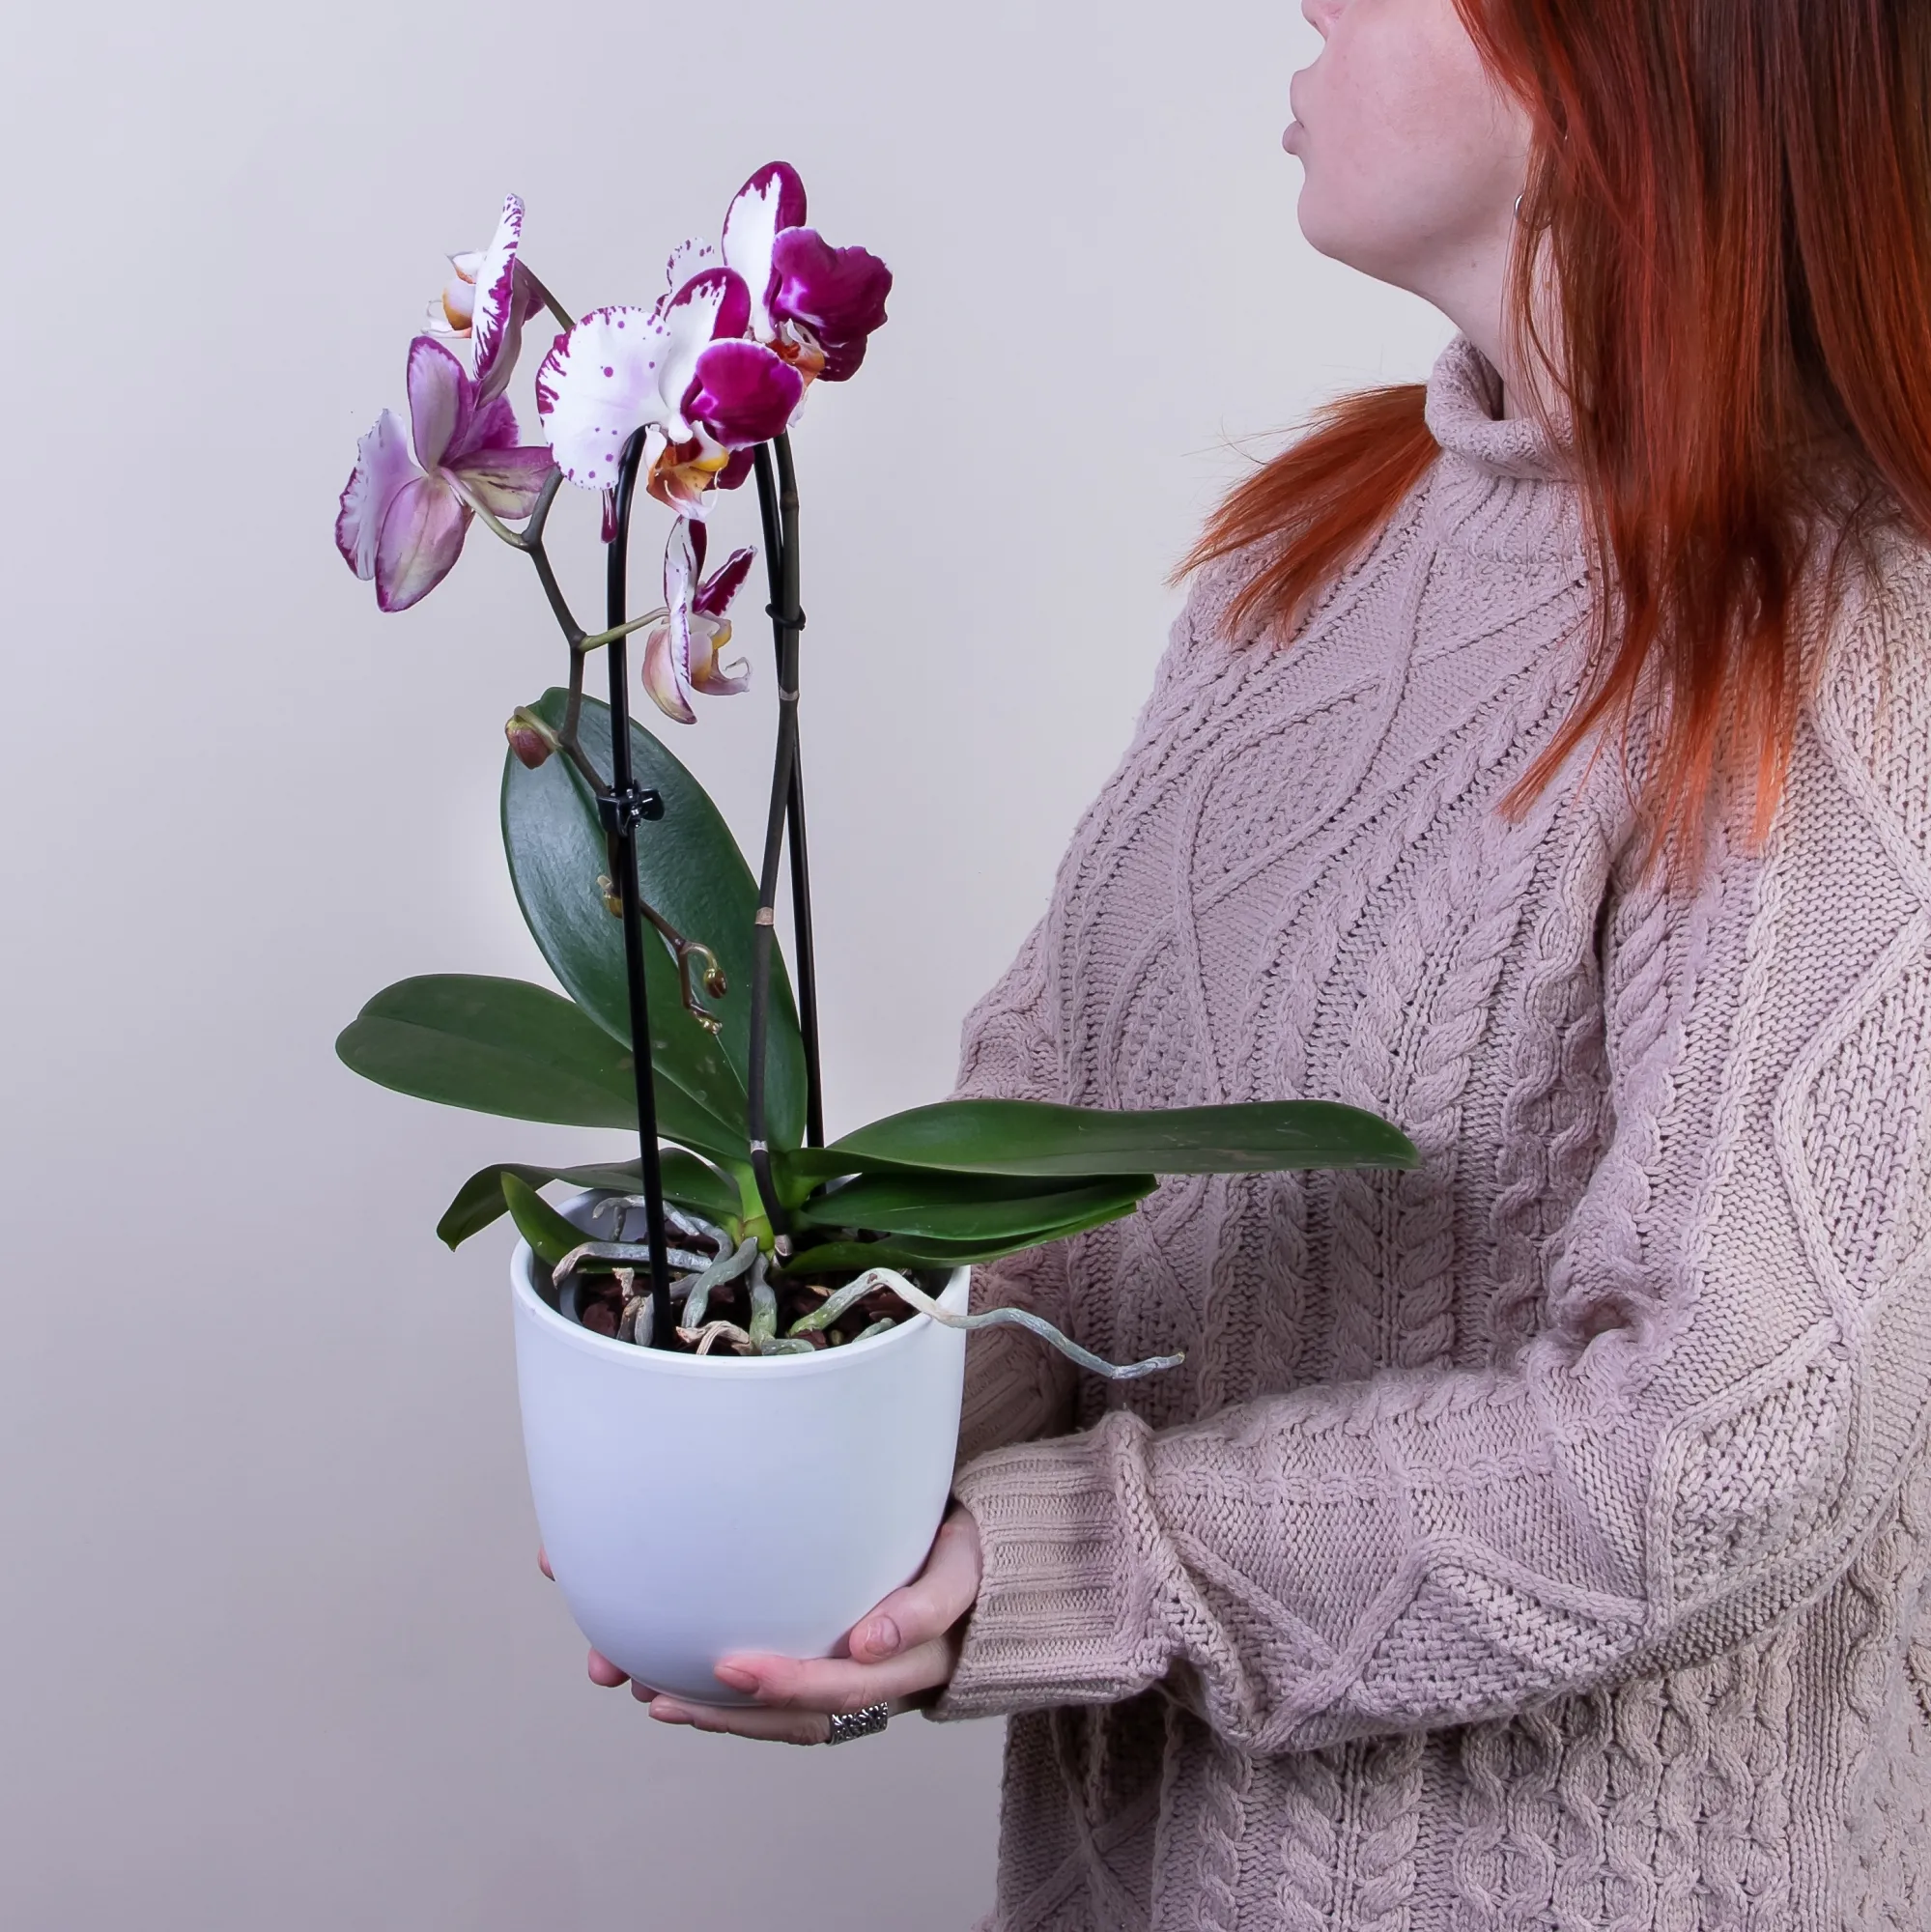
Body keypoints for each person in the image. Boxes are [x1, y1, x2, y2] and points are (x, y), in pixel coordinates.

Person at [564, 0, 1931, 1920]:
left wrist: (1049, 1568)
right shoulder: (1324, 539)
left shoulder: (1848, 646)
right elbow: (1056, 1143)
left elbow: (1731, 1439)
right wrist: (806, 1496)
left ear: (1621, 49)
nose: (1314, 2)